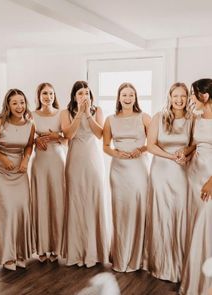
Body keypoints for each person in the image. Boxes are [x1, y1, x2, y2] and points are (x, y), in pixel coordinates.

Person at [143, 82, 194, 282]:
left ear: (188, 98)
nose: (179, 100)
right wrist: (171, 156)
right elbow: (150, 146)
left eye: (183, 96)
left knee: (180, 214)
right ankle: (161, 264)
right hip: (161, 172)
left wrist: (185, 154)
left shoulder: (193, 119)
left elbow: (194, 144)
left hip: (182, 172)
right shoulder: (159, 117)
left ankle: (180, 265)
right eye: (176, 96)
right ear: (170, 97)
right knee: (162, 214)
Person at [103, 82, 150, 272]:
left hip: (138, 168)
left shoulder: (144, 117)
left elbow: (155, 141)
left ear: (135, 97)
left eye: (131, 95)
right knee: (120, 211)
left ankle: (137, 258)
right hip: (119, 170)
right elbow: (105, 146)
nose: (128, 98)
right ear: (119, 97)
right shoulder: (110, 119)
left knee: (138, 210)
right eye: (124, 95)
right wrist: (116, 153)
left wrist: (142, 148)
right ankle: (120, 257)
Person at [61, 80, 109, 267]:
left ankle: (93, 252)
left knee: (93, 200)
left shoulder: (98, 111)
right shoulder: (66, 113)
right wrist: (79, 113)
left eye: (87, 93)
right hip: (75, 160)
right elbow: (68, 135)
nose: (84, 96)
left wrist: (88, 113)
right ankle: (76, 252)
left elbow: (100, 134)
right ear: (74, 96)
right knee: (76, 200)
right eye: (80, 93)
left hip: (93, 160)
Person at [0, 89, 34, 271]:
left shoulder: (30, 123)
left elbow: (29, 145)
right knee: (6, 210)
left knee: (21, 209)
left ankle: (20, 253)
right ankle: (7, 256)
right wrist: (3, 159)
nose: (19, 106)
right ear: (8, 105)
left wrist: (25, 160)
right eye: (15, 103)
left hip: (19, 171)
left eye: (22, 102)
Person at [179, 78, 212, 295]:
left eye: (193, 94)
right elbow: (195, 143)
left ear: (205, 96)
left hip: (209, 177)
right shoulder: (198, 119)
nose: (191, 98)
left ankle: (206, 285)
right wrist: (185, 152)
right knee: (195, 225)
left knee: (206, 226)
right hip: (194, 174)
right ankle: (194, 280)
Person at [31, 83, 66, 262]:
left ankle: (56, 247)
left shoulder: (62, 113)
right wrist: (36, 139)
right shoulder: (32, 114)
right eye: (45, 93)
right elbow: (26, 139)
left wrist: (57, 136)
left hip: (57, 161)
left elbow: (69, 138)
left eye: (51, 93)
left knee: (57, 202)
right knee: (41, 201)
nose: (48, 96)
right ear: (39, 95)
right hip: (40, 162)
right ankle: (42, 247)